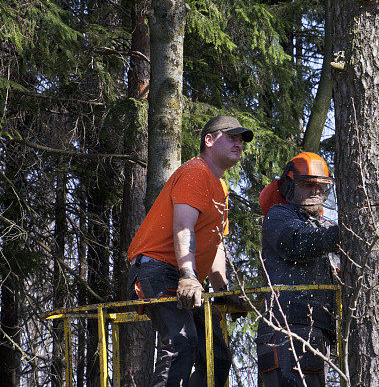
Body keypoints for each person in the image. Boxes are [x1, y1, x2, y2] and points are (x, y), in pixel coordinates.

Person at [127, 115, 253, 387]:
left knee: (216, 357)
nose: (238, 144)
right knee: (181, 343)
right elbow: (183, 228)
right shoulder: (196, 171)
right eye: (231, 138)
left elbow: (216, 241)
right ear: (209, 140)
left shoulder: (221, 187)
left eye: (241, 141)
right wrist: (188, 275)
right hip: (157, 268)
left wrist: (222, 291)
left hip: (185, 276)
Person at [257, 152, 340, 387]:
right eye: (307, 185)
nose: (315, 191)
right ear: (290, 185)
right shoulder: (279, 216)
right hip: (286, 328)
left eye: (320, 186)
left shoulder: (323, 225)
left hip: (316, 330)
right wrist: (344, 232)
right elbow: (298, 243)